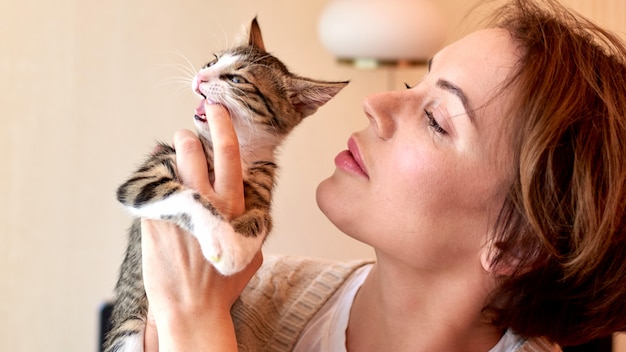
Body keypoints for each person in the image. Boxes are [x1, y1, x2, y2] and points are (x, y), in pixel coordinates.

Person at [139, 0, 626, 350]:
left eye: (437, 118)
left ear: (515, 244)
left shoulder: (201, 300)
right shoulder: (253, 292)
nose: (376, 104)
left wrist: (196, 325)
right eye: (417, 81)